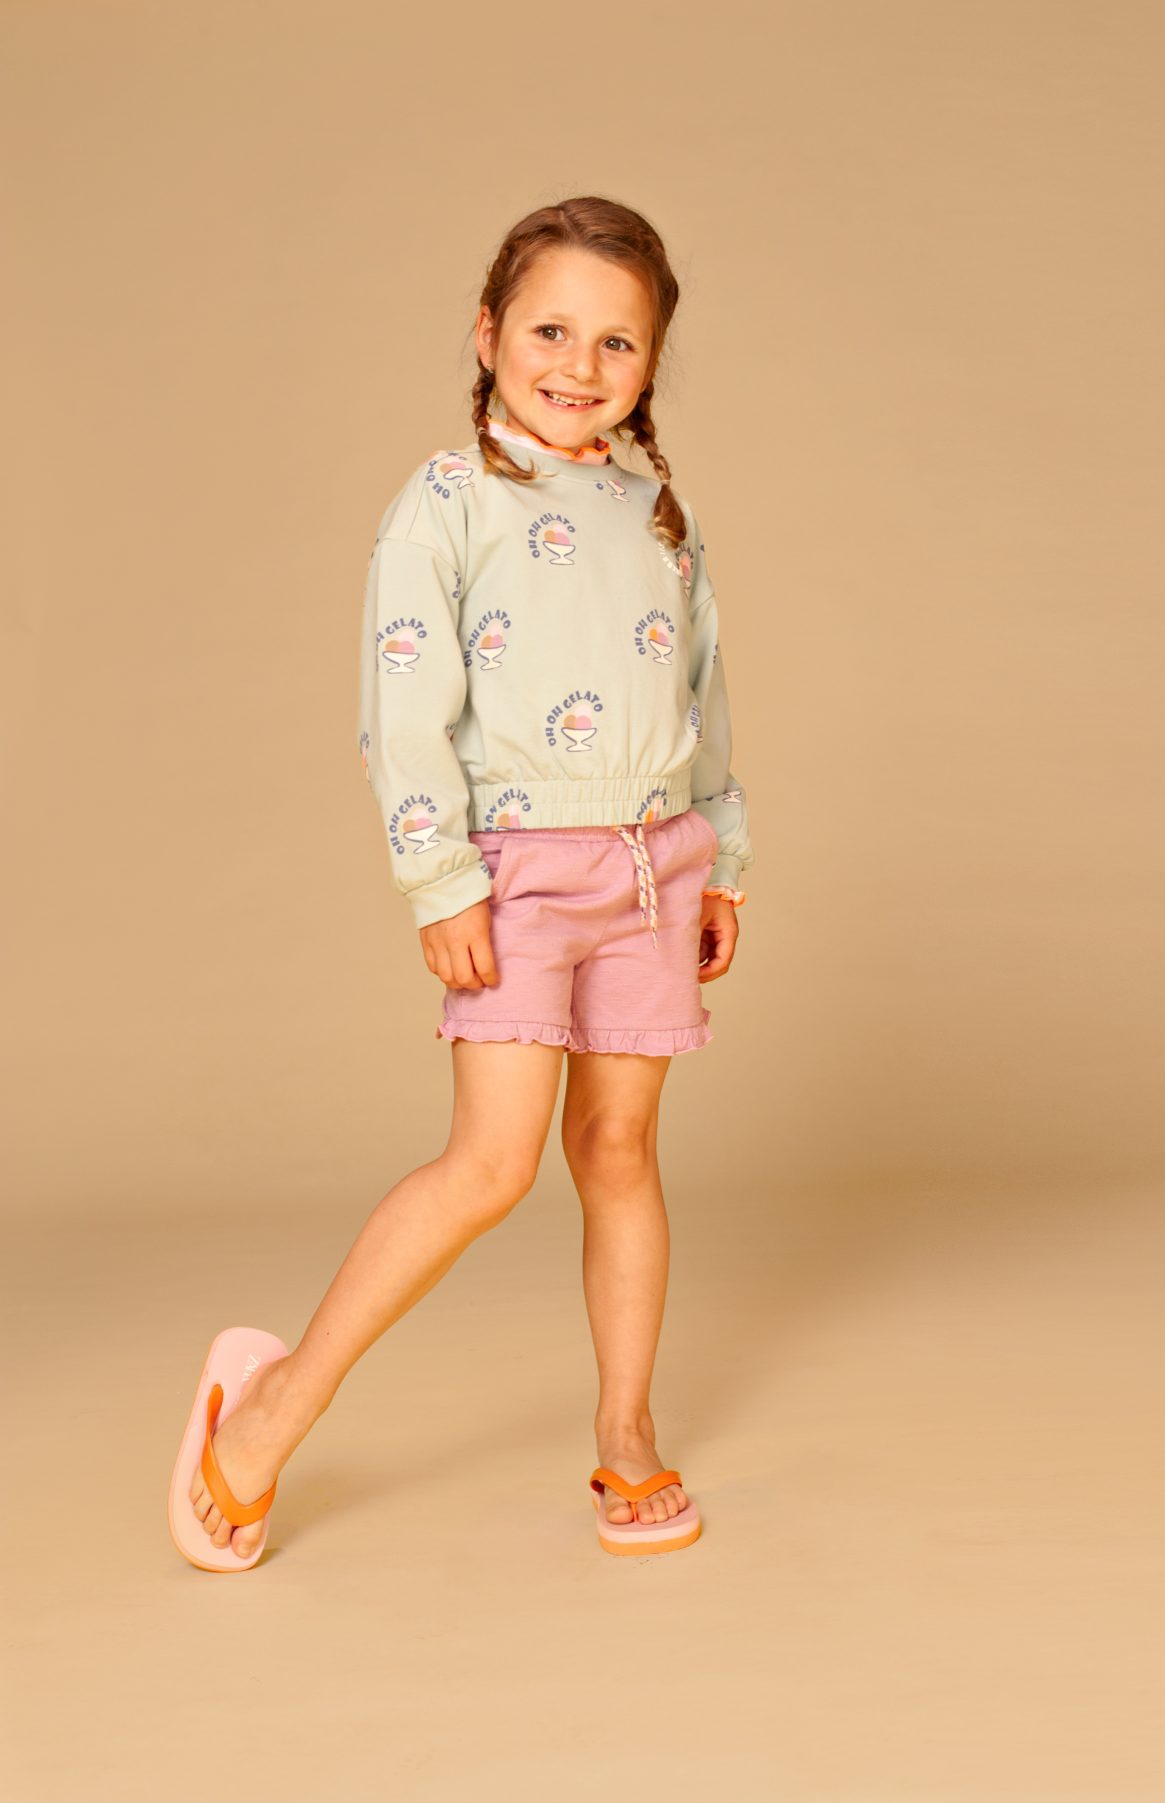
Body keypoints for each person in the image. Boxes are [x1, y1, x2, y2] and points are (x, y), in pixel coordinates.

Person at [171, 196, 754, 1568]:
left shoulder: (657, 512)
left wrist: (721, 857)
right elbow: (405, 707)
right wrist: (441, 882)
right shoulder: (445, 501)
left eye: (617, 342)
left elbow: (706, 695)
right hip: (521, 873)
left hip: (653, 867)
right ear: (487, 334)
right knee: (492, 1165)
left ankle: (625, 1431)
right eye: (550, 331)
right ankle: (275, 1402)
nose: (579, 365)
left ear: (650, 364)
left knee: (620, 1152)